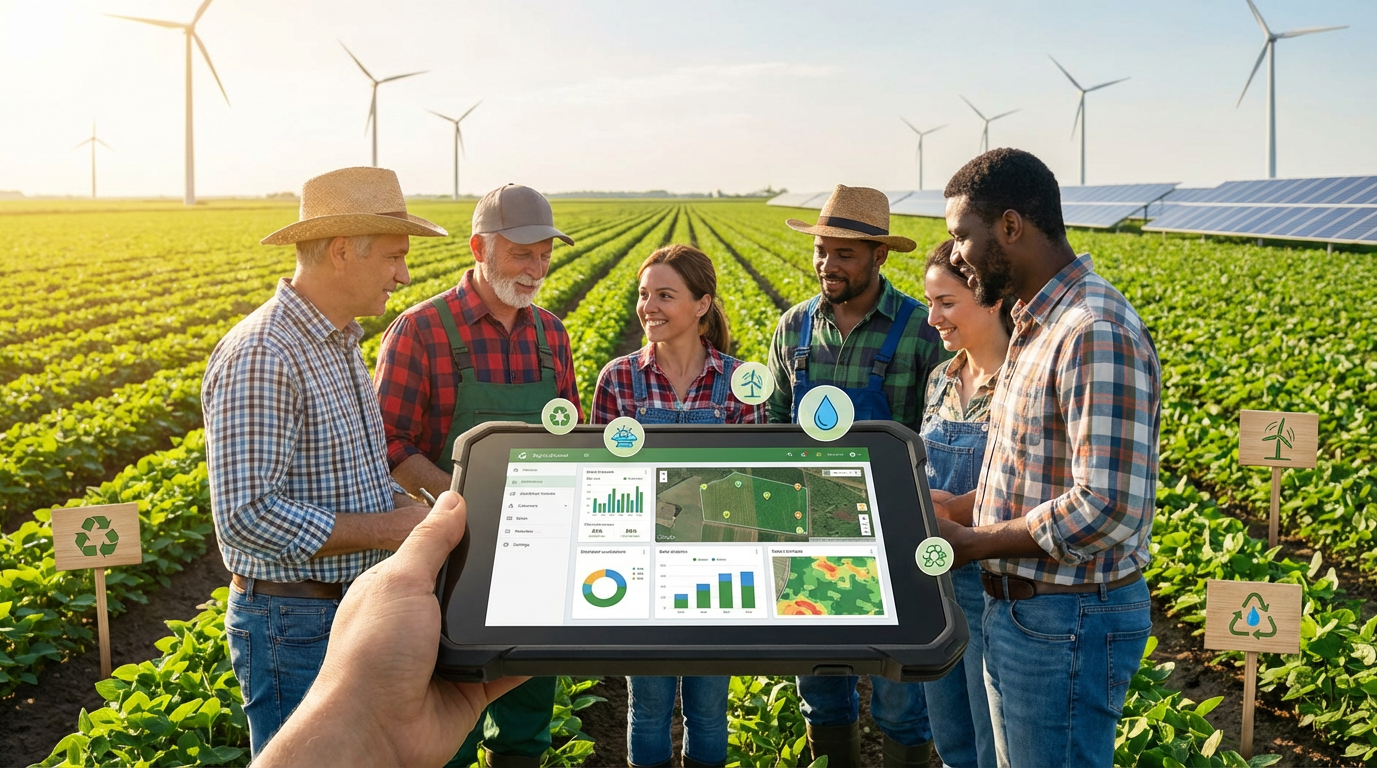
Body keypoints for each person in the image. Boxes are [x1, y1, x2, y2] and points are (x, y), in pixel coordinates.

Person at [201, 166, 445, 756]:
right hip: (293, 622)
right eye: (393, 256)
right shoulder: (264, 353)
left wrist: (431, 514)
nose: (403, 275)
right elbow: (246, 517)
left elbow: (364, 478)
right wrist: (396, 528)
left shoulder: (340, 345)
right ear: (341, 251)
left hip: (345, 607)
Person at [934, 148, 1160, 767]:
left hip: (1068, 619)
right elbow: (1024, 476)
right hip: (1029, 615)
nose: (956, 255)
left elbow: (1109, 506)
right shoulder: (1035, 327)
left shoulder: (1093, 329)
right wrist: (950, 509)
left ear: (1011, 226)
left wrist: (975, 543)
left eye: (962, 236)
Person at [374, 183, 581, 768]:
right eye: (522, 253)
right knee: (446, 725)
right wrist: (468, 502)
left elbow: (571, 437)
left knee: (527, 717)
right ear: (478, 247)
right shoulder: (421, 330)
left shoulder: (552, 335)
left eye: (544, 253)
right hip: (451, 561)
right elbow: (389, 445)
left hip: (536, 557)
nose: (537, 267)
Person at [765, 184, 950, 768]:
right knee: (821, 695)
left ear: (879, 257)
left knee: (901, 699)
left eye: (844, 253)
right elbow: (770, 428)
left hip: (893, 536)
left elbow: (943, 439)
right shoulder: (793, 327)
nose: (827, 264)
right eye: (822, 250)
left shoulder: (922, 331)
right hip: (805, 530)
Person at [590, 244, 759, 768]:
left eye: (665, 295)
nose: (649, 307)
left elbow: (748, 491)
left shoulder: (739, 381)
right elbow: (601, 484)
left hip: (717, 569)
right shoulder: (618, 379)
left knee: (709, 712)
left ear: (702, 304)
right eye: (644, 295)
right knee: (647, 709)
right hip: (642, 568)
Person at [255, 491, 530, 768]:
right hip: (296, 604)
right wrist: (388, 526)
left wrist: (375, 731)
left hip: (374, 598)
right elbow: (247, 517)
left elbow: (373, 480)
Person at [918, 240, 1012, 768]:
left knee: (988, 737)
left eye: (947, 303)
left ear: (992, 299)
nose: (934, 318)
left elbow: (1027, 484)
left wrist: (951, 510)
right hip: (933, 578)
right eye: (931, 303)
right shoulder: (941, 379)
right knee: (950, 735)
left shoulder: (1020, 382)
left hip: (990, 580)